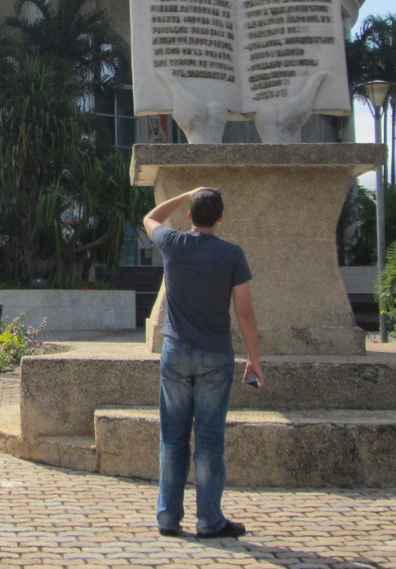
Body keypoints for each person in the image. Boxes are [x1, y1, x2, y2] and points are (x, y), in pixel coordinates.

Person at [142, 186, 263, 539]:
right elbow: (244, 311)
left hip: (176, 352)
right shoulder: (232, 255)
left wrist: (186, 195)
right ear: (221, 218)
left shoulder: (173, 243)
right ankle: (209, 520)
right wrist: (254, 359)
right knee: (209, 440)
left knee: (173, 437)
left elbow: (150, 217)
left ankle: (168, 517)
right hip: (216, 355)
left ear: (190, 216)